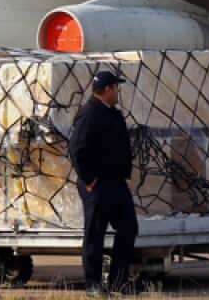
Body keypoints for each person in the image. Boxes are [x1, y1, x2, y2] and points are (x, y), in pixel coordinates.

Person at [69, 70, 139, 296]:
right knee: (95, 233)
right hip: (97, 184)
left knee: (129, 227)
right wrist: (88, 179)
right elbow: (76, 149)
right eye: (116, 87)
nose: (118, 91)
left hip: (117, 182)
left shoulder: (112, 113)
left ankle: (118, 280)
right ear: (107, 89)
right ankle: (93, 283)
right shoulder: (89, 113)